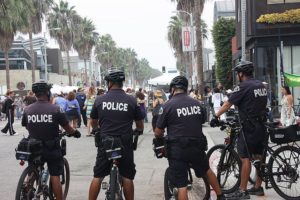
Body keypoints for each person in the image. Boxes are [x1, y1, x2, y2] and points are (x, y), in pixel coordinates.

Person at [154, 76, 225, 200]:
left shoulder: (168, 105)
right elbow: (203, 119)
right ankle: (220, 195)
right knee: (206, 170)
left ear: (172, 89)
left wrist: (160, 135)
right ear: (186, 89)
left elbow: (158, 131)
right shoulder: (197, 103)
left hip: (177, 148)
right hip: (197, 145)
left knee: (181, 185)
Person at [210, 61, 268, 199]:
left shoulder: (243, 86)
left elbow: (227, 104)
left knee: (245, 158)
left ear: (241, 74)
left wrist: (216, 116)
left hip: (249, 127)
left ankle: (242, 191)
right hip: (262, 125)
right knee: (260, 156)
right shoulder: (260, 85)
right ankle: (258, 187)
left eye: (238, 73)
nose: (237, 76)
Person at [88, 68, 144, 200]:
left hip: (105, 140)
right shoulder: (131, 100)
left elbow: (93, 122)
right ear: (122, 82)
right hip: (125, 141)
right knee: (127, 177)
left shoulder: (100, 99)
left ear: (109, 83)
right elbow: (140, 124)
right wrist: (139, 130)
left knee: (98, 176)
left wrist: (96, 130)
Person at [21, 80, 81, 200]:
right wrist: (75, 133)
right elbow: (68, 128)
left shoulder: (27, 110)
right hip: (51, 147)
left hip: (33, 146)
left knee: (33, 167)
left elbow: (26, 125)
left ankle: (27, 187)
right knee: (55, 176)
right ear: (47, 93)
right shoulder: (56, 109)